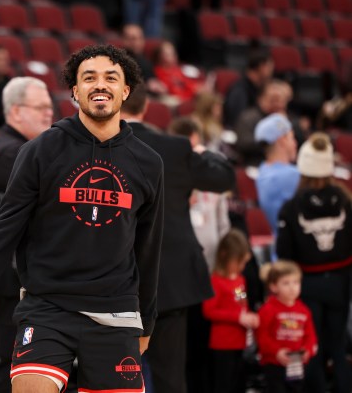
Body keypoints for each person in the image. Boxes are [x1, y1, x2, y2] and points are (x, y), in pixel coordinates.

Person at [0, 44, 164, 393]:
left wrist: (147, 322)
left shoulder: (148, 163)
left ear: (126, 90)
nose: (99, 85)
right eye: (89, 78)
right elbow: (3, 231)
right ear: (74, 91)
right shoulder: (40, 150)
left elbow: (148, 248)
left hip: (116, 313)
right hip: (47, 308)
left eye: (110, 78)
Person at [120, 83, 236, 393]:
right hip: (168, 279)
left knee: (110, 376)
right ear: (145, 108)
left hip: (111, 278)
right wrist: (198, 150)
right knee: (171, 375)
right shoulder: (175, 148)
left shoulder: (92, 148)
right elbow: (224, 176)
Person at [0, 77, 53, 393]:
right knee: (15, 367)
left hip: (22, 278)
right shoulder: (9, 152)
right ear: (17, 111)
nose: (49, 114)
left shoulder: (21, 150)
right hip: (12, 281)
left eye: (50, 107)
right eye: (41, 108)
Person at [276, 133, 352, 393]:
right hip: (341, 283)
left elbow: (283, 252)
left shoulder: (292, 206)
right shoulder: (346, 200)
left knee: (311, 345)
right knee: (338, 344)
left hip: (306, 285)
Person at [168, 117, 230, 271]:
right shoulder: (168, 170)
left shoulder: (212, 168)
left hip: (210, 251)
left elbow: (223, 221)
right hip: (180, 253)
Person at [202, 229, 259, 393]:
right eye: (239, 262)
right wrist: (238, 317)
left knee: (239, 382)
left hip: (239, 342)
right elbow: (209, 311)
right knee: (224, 384)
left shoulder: (240, 280)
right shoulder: (215, 281)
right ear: (225, 256)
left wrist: (249, 316)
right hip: (222, 344)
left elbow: (242, 302)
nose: (242, 267)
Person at [257, 261, 318, 393]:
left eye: (296, 282)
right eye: (286, 283)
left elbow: (310, 335)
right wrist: (277, 351)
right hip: (274, 363)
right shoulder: (268, 309)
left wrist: (307, 350)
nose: (292, 288)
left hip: (296, 364)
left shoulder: (304, 310)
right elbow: (262, 336)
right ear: (273, 286)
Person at [254, 113, 299, 234]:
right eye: (292, 138)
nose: (295, 143)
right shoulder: (291, 175)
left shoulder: (263, 171)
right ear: (282, 140)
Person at [223, 48, 274, 128]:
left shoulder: (258, 87)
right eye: (269, 65)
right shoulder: (239, 91)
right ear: (261, 67)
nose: (272, 69)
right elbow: (237, 121)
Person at [121, 24, 167, 95]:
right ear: (124, 40)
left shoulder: (146, 61)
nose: (138, 42)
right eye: (133, 39)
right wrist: (147, 86)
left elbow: (153, 79)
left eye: (140, 38)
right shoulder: (121, 62)